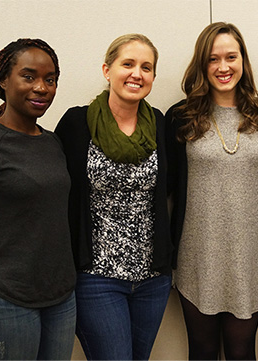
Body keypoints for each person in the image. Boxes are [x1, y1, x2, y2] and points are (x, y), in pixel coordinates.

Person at [0, 38, 76, 360]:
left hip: (60, 299)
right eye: (29, 76)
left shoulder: (53, 144)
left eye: (50, 80)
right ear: (3, 80)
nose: (41, 88)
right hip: (2, 299)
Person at [54, 34, 173, 360]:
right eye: (128, 64)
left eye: (146, 67)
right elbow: (49, 178)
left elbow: (170, 184)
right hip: (96, 278)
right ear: (107, 70)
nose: (137, 73)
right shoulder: (77, 123)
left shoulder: (159, 124)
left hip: (152, 279)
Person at [165, 22, 258, 360]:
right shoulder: (180, 117)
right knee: (202, 350)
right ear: (202, 64)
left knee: (243, 352)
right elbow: (166, 189)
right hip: (197, 255)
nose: (223, 67)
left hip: (251, 256)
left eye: (231, 57)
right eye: (213, 59)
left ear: (243, 60)